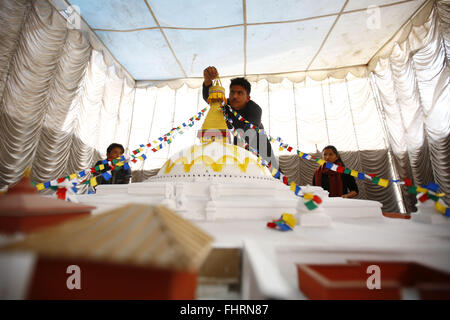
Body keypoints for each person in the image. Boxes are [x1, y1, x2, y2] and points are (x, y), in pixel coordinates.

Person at [202, 66, 279, 170]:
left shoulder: (255, 109)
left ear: (248, 98)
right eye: (232, 92)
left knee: (272, 174)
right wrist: (207, 81)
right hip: (234, 147)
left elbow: (248, 132)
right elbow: (210, 98)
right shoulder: (224, 105)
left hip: (259, 146)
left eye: (240, 93)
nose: (235, 96)